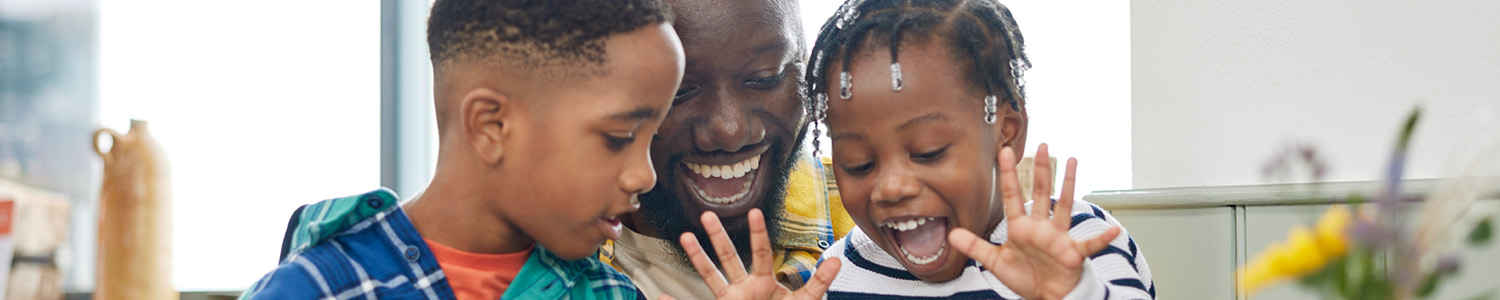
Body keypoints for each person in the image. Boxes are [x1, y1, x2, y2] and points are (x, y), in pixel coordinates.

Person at [238, 0, 684, 298]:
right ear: (492, 126)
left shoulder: (611, 293)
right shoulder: (317, 288)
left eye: (652, 138)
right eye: (619, 138)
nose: (644, 176)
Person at [805, 0, 1156, 298]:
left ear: (1007, 132)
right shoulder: (838, 274)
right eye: (859, 164)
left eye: (928, 153)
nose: (892, 187)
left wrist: (1073, 291)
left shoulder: (1073, 241)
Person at [602, 0, 855, 298]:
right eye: (679, 91)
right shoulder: (554, 256)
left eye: (765, 78)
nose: (730, 131)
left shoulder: (881, 220)